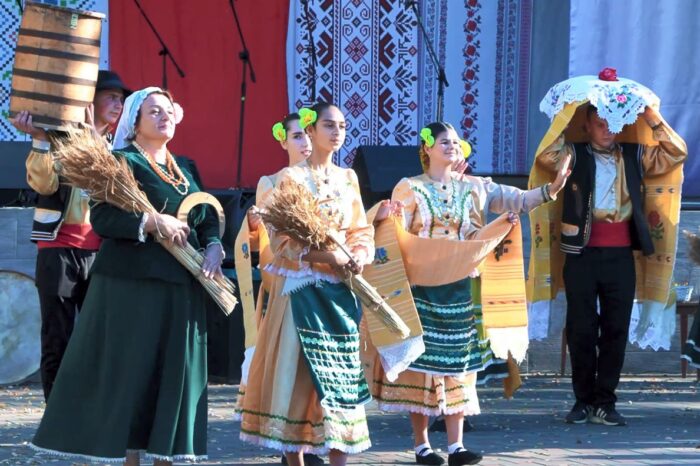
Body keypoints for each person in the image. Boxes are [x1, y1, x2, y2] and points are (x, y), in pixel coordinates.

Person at [30, 87, 225, 465]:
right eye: (154, 111)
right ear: (134, 123)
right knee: (133, 378)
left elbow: (205, 216)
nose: (164, 116)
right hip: (133, 287)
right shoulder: (121, 162)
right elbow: (103, 219)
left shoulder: (186, 167)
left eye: (168, 110)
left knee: (173, 378)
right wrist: (150, 221)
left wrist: (215, 245)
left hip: (182, 287)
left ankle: (167, 456)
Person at [371, 122, 570, 466]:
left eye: (455, 141)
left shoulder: (476, 187)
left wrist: (551, 189)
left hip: (461, 287)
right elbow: (395, 231)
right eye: (444, 141)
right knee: (421, 366)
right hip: (423, 288)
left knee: (459, 366)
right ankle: (422, 446)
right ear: (427, 148)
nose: (452, 146)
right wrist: (387, 219)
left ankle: (456, 446)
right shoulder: (410, 187)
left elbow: (520, 200)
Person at [238, 103, 374, 466]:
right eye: (329, 125)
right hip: (302, 290)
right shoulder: (290, 179)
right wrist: (329, 257)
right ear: (311, 131)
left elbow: (360, 227)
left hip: (340, 291)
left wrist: (360, 252)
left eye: (342, 125)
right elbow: (282, 242)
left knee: (342, 380)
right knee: (297, 379)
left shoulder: (348, 177)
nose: (337, 132)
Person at [537, 104, 687, 426]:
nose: (607, 130)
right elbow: (545, 156)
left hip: (620, 256)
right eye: (600, 124)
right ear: (587, 126)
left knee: (616, 328)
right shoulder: (572, 153)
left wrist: (651, 116)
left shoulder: (635, 154)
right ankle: (582, 400)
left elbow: (676, 152)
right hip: (580, 254)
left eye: (612, 123)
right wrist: (566, 113)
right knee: (581, 328)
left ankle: (605, 401)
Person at [10, 70, 130, 401]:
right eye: (111, 97)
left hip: (102, 252)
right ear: (90, 101)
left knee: (99, 335)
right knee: (57, 336)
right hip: (59, 248)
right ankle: (57, 413)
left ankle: (93, 408)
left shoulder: (119, 147)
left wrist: (95, 143)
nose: (117, 104)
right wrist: (39, 139)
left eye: (121, 100)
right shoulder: (60, 139)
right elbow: (44, 185)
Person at [234, 113, 322, 466]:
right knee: (289, 367)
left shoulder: (332, 181)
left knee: (318, 368)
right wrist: (255, 226)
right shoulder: (272, 182)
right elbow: (266, 237)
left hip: (324, 284)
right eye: (297, 136)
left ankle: (314, 441)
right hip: (287, 285)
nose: (305, 142)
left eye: (308, 135)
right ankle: (291, 446)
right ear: (283, 141)